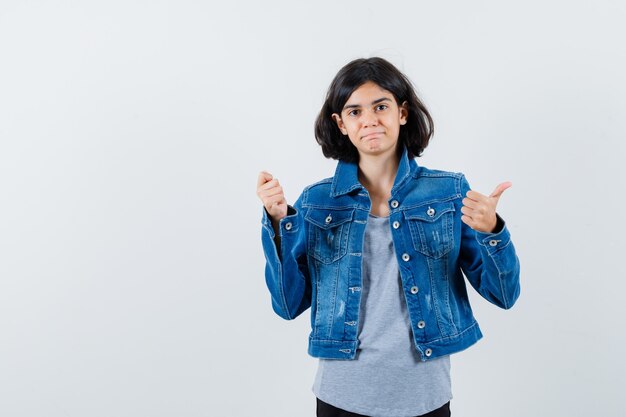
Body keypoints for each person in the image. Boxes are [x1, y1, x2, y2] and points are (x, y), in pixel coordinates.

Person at [256, 57, 521, 417]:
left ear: (403, 112)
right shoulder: (316, 203)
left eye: (381, 106)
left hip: (425, 398)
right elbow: (287, 305)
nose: (369, 120)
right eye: (354, 111)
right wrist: (277, 223)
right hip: (340, 397)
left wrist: (492, 232)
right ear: (341, 124)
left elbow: (504, 295)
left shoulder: (449, 192)